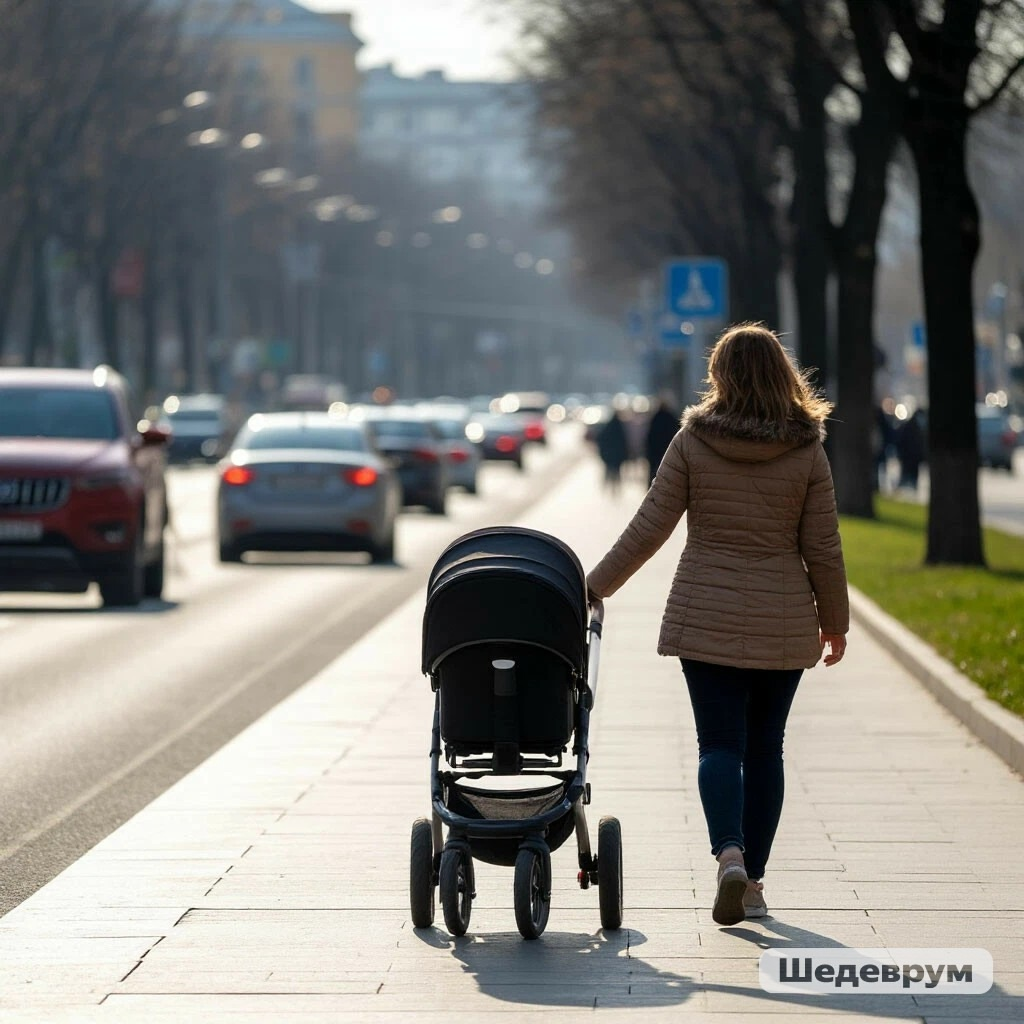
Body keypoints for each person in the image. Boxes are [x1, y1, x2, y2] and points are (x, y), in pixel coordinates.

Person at [586, 322, 849, 926]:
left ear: (720, 377)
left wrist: (591, 589)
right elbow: (824, 547)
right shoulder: (807, 449)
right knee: (766, 751)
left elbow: (650, 526)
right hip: (783, 618)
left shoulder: (693, 442)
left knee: (719, 745)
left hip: (705, 614)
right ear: (784, 375)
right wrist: (834, 622)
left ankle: (727, 853)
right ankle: (753, 882)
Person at [644, 394, 680, 486]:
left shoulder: (655, 418)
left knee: (654, 476)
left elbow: (649, 437)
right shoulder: (672, 418)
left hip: (655, 453)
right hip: (668, 452)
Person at [595, 409, 629, 495]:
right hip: (617, 455)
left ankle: (607, 488)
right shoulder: (620, 427)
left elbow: (600, 439)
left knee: (609, 471)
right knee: (617, 472)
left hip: (609, 455)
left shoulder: (608, 427)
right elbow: (624, 442)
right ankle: (616, 489)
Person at [895, 408, 926, 491]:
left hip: (912, 460)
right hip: (909, 459)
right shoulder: (912, 427)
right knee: (908, 482)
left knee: (910, 481)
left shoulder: (916, 427)